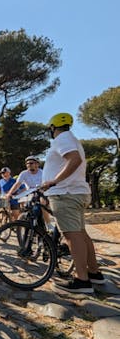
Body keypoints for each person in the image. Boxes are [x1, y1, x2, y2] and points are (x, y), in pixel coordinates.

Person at [41, 113, 104, 293]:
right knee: (82, 235)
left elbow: (73, 159)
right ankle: (94, 273)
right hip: (75, 192)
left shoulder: (62, 139)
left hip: (65, 193)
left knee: (71, 236)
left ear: (53, 128)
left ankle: (82, 280)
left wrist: (54, 181)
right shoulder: (72, 139)